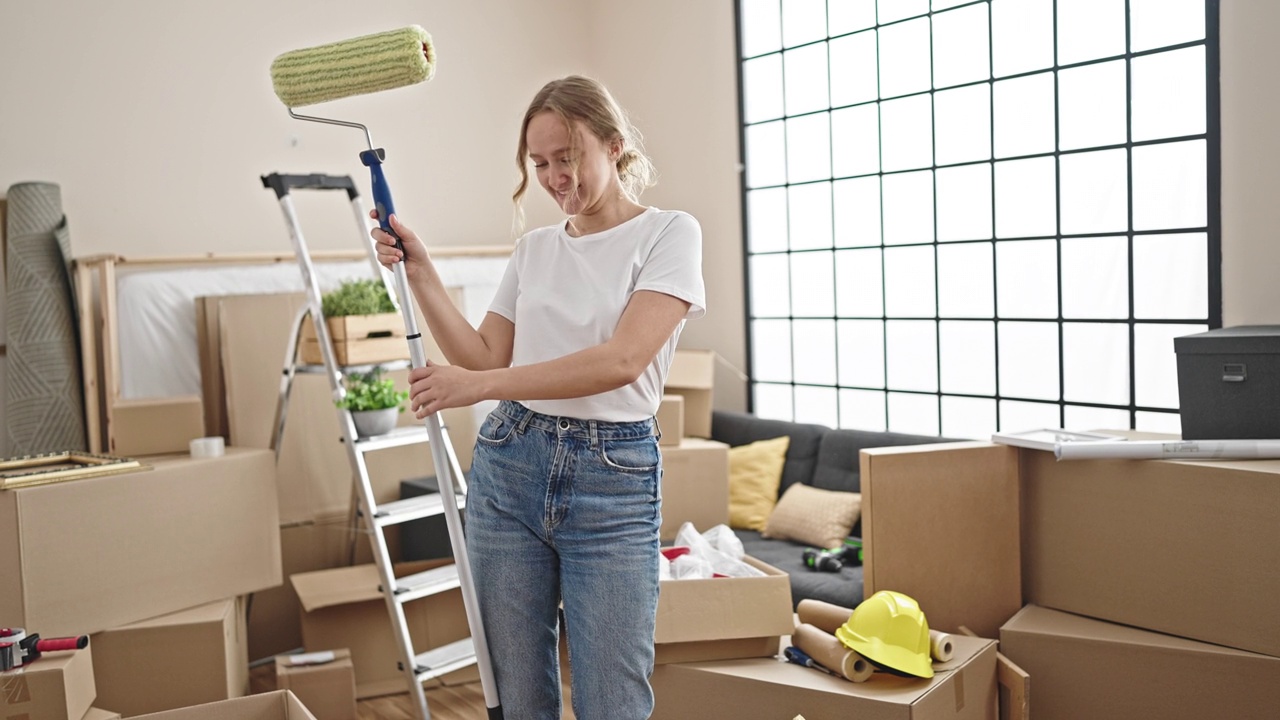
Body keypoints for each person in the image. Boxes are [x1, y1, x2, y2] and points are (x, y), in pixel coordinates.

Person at [372, 75, 705, 720]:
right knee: (516, 695)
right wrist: (421, 272)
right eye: (540, 162)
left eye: (569, 156)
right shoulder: (535, 249)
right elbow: (484, 355)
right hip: (510, 467)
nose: (554, 177)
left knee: (615, 698)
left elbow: (621, 360)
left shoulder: (668, 235)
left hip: (613, 482)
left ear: (614, 146)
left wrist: (479, 389)